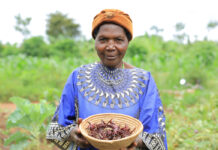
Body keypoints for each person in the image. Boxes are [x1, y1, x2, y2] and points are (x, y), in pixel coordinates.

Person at [46, 9, 168, 150]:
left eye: (118, 40)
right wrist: (73, 134)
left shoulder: (144, 80)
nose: (110, 47)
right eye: (103, 39)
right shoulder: (78, 76)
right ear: (95, 41)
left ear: (128, 42)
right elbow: (56, 129)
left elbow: (156, 137)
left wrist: (134, 142)